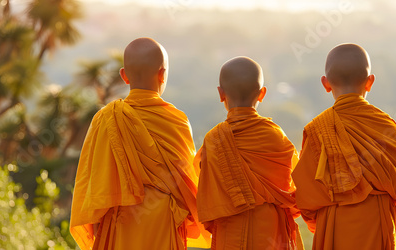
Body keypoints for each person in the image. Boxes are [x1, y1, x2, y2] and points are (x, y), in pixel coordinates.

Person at [292, 43, 396, 250]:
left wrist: (321, 222)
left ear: (326, 83)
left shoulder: (317, 130)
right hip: (377, 222)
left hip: (333, 225)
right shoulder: (386, 126)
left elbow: (306, 196)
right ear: (370, 82)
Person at [69, 37, 208, 250]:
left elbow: (94, 187)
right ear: (162, 74)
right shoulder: (176, 120)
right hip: (163, 224)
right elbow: (188, 184)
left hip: (120, 227)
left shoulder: (107, 118)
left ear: (124, 76)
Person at [195, 56, 303, 250]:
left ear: (221, 94)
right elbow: (296, 183)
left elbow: (202, 188)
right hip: (272, 231)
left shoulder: (213, 140)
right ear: (262, 94)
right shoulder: (276, 136)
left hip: (231, 230)